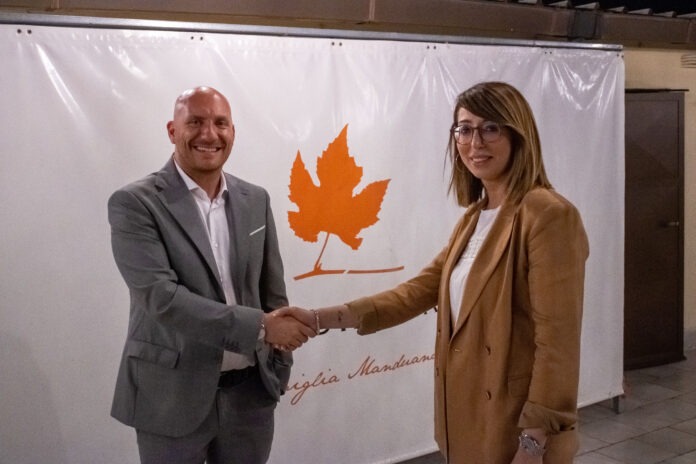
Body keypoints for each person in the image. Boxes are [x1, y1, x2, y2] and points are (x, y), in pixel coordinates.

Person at [279, 81, 589, 463]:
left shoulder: (548, 214)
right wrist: (317, 318)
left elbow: (557, 343)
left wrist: (533, 442)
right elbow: (414, 293)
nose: (475, 142)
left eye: (491, 128)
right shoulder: (474, 218)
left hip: (515, 429)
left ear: (518, 134)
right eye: (464, 129)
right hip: (467, 417)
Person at [108, 86, 315, 464]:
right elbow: (161, 298)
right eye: (196, 122)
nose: (209, 134)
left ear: (232, 132)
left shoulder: (256, 199)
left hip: (250, 397)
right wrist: (262, 327)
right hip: (170, 398)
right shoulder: (135, 203)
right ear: (173, 130)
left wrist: (277, 368)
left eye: (221, 123)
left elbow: (272, 290)